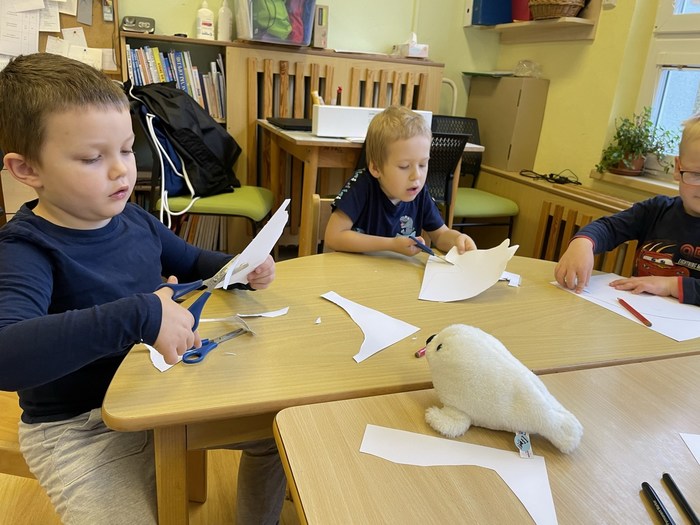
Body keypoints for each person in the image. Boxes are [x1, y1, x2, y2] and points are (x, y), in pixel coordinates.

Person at [0, 53, 285, 524]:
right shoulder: (26, 249)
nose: (121, 171)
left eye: (127, 150)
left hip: (158, 390)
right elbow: (7, 356)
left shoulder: (133, 218)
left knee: (277, 432)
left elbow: (191, 260)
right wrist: (140, 315)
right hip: (81, 426)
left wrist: (239, 266)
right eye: (93, 158)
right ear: (27, 169)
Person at [555, 113, 700, 306]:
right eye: (696, 174)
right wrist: (583, 243)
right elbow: (608, 227)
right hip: (636, 313)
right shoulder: (656, 210)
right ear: (677, 168)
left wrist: (672, 285)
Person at [324, 105, 477, 257]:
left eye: (423, 164)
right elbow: (334, 237)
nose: (416, 175)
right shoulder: (361, 186)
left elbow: (441, 235)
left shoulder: (419, 193)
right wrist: (391, 244)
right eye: (404, 166)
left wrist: (458, 239)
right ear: (376, 168)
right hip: (358, 268)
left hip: (398, 270)